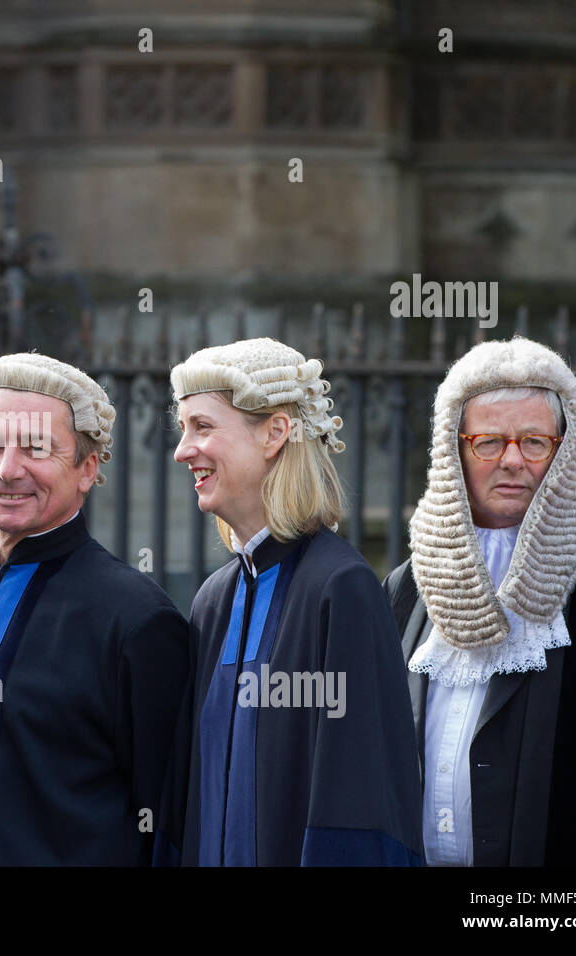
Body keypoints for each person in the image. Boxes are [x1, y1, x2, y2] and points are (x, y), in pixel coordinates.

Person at [0, 353, 188, 865]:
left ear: (87, 468)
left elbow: (169, 822)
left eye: (35, 448)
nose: (8, 470)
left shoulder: (137, 619)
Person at [156, 338, 422, 865]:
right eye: (183, 429)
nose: (183, 450)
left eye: (203, 427)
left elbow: (361, 804)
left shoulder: (341, 589)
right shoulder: (214, 599)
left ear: (275, 432)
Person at [385, 336, 576, 866]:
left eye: (534, 442)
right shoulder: (407, 586)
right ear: (452, 449)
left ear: (563, 448)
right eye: (488, 442)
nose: (512, 461)